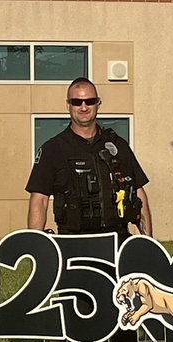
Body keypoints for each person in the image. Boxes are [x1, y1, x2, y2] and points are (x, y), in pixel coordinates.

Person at [26, 77, 151, 239]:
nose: (83, 107)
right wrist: (35, 247)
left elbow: (139, 192)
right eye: (77, 102)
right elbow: (39, 200)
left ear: (98, 104)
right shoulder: (53, 149)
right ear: (68, 105)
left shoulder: (117, 146)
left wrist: (149, 246)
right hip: (73, 243)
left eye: (89, 101)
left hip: (117, 242)